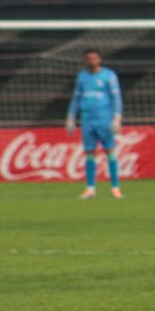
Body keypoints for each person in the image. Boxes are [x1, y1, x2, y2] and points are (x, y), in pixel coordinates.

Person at [66, 49, 123, 200]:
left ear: (99, 59)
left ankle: (115, 188)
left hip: (105, 119)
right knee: (89, 153)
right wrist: (71, 117)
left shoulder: (109, 76)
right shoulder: (82, 77)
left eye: (94, 58)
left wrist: (117, 117)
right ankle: (90, 188)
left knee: (110, 151)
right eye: (89, 59)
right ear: (85, 60)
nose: (92, 61)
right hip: (87, 120)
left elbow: (116, 97)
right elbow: (76, 98)